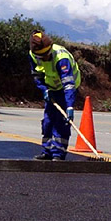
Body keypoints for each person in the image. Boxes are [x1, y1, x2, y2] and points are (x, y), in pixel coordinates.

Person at [29, 30, 80, 161]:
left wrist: (70, 106)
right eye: (42, 56)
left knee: (61, 122)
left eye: (46, 55)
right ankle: (47, 151)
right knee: (48, 121)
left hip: (66, 89)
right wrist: (44, 89)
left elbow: (68, 84)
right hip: (51, 88)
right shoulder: (33, 55)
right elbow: (37, 76)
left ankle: (58, 153)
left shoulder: (62, 58)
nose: (45, 58)